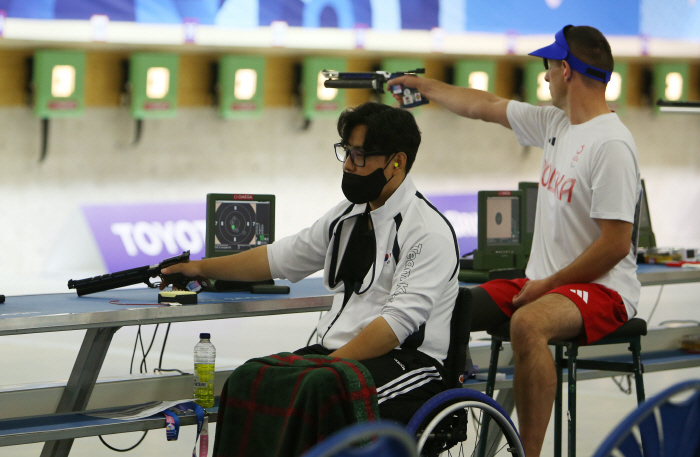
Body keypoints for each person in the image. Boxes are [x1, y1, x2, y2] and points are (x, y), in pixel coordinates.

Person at [389, 25, 641, 456]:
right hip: (549, 283)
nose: (543, 78)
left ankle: (528, 453)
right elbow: (483, 105)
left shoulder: (612, 144)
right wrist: (423, 86)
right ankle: (437, 429)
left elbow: (616, 245)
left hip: (605, 292)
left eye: (547, 68)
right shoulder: (555, 124)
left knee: (528, 323)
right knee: (450, 307)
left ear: (565, 70)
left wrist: (546, 284)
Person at [163, 101, 460, 424]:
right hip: (340, 358)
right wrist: (200, 268)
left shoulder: (428, 233)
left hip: (410, 365)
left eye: (359, 155)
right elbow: (278, 258)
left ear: (397, 163)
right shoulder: (347, 215)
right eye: (346, 152)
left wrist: (327, 365)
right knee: (247, 381)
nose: (348, 165)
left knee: (317, 392)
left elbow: (393, 329)